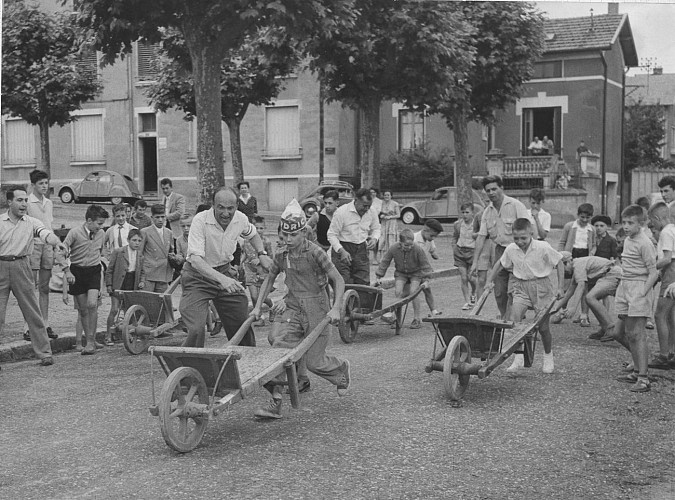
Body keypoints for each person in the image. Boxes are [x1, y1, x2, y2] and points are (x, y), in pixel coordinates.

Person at [250, 199, 350, 419]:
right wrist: (258, 306)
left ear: (303, 232)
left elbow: (338, 279)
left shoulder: (316, 253)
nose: (288, 240)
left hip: (318, 307)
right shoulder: (281, 254)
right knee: (279, 350)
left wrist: (336, 308)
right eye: (284, 235)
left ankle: (340, 370)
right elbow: (269, 278)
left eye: (293, 235)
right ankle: (275, 401)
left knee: (314, 361)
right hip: (294, 307)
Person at [180, 187, 272, 348]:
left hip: (224, 273)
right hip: (197, 277)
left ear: (237, 206)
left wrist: (262, 253)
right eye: (221, 207)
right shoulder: (200, 220)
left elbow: (253, 234)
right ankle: (191, 367)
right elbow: (195, 259)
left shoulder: (241, 219)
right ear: (213, 205)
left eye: (230, 208)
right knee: (195, 329)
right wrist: (222, 279)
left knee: (241, 321)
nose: (225, 213)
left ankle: (247, 362)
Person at [0, 186, 68, 365]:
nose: (24, 204)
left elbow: (45, 234)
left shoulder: (32, 222)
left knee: (32, 311)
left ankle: (45, 353)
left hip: (22, 266)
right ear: (9, 202)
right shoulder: (0, 222)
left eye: (25, 200)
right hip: (1, 266)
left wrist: (58, 243)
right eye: (19, 200)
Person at [486, 218, 564, 374]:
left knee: (542, 327)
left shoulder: (542, 247)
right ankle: (518, 358)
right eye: (516, 238)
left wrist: (560, 287)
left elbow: (559, 262)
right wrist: (489, 281)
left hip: (541, 287)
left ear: (531, 234)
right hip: (520, 286)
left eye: (523, 238)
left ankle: (548, 355)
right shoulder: (511, 249)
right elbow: (500, 264)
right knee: (515, 323)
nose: (520, 242)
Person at [611, 205, 658, 393]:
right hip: (625, 285)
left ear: (642, 223)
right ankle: (636, 370)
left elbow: (654, 273)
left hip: (639, 287)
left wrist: (643, 292)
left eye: (631, 223)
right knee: (620, 333)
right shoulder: (628, 240)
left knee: (637, 333)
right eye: (624, 222)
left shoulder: (645, 243)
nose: (626, 226)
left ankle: (643, 378)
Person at [470, 175, 528, 319]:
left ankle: (513, 321)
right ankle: (504, 318)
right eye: (488, 190)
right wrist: (475, 262)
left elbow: (528, 231)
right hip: (500, 252)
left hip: (519, 250)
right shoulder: (487, 212)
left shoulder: (516, 205)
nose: (491, 193)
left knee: (514, 291)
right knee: (499, 292)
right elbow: (481, 237)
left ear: (502, 188)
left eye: (494, 189)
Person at [62, 204, 110, 355]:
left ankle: (90, 342)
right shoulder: (74, 233)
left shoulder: (102, 233)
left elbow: (101, 252)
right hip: (77, 272)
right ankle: (91, 338)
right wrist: (67, 271)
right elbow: (60, 251)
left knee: (92, 304)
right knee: (83, 310)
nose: (101, 227)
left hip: (94, 271)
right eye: (99, 223)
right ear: (89, 220)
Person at [552, 252, 622, 342]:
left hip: (612, 273)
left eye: (563, 269)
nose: (565, 273)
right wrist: (554, 309)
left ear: (568, 262)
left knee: (590, 298)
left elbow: (581, 286)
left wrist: (573, 308)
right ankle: (605, 328)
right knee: (591, 299)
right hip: (609, 274)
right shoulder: (576, 267)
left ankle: (610, 328)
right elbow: (570, 291)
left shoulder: (577, 265)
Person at [374, 228, 433, 329]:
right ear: (400, 243)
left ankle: (417, 319)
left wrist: (427, 280)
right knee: (398, 292)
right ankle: (396, 319)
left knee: (413, 292)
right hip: (401, 273)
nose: (409, 247)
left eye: (411, 245)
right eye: (406, 245)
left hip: (415, 273)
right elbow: (385, 261)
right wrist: (379, 275)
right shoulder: (393, 248)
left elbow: (425, 265)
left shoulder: (418, 249)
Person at [25, 169, 58, 341]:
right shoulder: (27, 203)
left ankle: (45, 324)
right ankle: (29, 327)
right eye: (41, 183)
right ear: (33, 185)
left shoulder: (49, 203)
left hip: (47, 247)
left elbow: (49, 226)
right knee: (30, 288)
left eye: (46, 183)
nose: (44, 186)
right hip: (32, 248)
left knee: (45, 288)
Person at [327, 187, 381, 287]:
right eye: (364, 206)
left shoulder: (371, 211)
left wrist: (374, 238)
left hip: (361, 249)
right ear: (356, 201)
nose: (366, 209)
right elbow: (331, 235)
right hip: (343, 248)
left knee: (363, 283)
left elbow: (376, 228)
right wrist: (341, 251)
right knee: (343, 283)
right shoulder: (341, 212)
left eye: (369, 206)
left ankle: (361, 302)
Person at [647, 202, 675, 370]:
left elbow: (667, 258)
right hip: (671, 273)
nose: (652, 225)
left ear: (657, 218)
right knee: (671, 316)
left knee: (659, 315)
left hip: (671, 272)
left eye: (652, 221)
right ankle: (672, 352)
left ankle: (663, 355)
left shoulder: (665, 232)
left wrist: (649, 266)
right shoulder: (673, 229)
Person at [105, 228, 143, 345]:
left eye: (139, 241)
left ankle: (130, 334)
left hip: (131, 283)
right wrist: (109, 284)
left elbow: (142, 271)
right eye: (134, 240)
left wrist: (141, 281)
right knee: (115, 309)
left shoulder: (140, 255)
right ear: (128, 240)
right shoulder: (118, 252)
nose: (136, 243)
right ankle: (108, 335)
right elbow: (109, 270)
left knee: (130, 311)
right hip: (119, 283)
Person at [242, 216, 274, 325]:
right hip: (249, 270)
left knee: (262, 296)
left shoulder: (266, 242)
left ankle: (272, 306)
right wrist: (239, 264)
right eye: (257, 228)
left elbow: (270, 257)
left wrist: (260, 261)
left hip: (261, 271)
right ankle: (260, 317)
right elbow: (245, 254)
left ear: (264, 228)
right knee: (254, 295)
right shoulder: (246, 241)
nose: (259, 231)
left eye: (261, 228)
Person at [139, 204, 173, 293]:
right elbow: (139, 253)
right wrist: (141, 275)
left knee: (163, 302)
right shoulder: (145, 232)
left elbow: (170, 252)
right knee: (148, 301)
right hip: (149, 273)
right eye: (157, 217)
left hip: (163, 273)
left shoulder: (169, 232)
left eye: (163, 217)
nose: (160, 220)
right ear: (152, 217)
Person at [413, 219, 443, 318]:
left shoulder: (430, 240)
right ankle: (416, 317)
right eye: (432, 236)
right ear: (425, 229)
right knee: (414, 293)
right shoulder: (414, 239)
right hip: (412, 270)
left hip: (423, 270)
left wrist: (435, 255)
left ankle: (434, 311)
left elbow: (432, 251)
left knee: (427, 290)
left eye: (435, 236)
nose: (433, 238)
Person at [452, 203, 478, 310]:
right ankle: (467, 302)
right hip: (460, 252)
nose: (465, 215)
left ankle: (474, 292)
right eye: (463, 212)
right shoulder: (458, 224)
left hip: (472, 252)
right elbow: (455, 236)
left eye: (467, 212)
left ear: (472, 213)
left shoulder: (476, 225)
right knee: (463, 277)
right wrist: (454, 247)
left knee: (471, 278)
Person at [377, 190, 400, 263]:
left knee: (391, 240)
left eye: (388, 195)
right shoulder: (381, 203)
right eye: (385, 195)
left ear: (391, 196)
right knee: (382, 239)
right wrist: (381, 215)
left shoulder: (395, 204)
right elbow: (378, 212)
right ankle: (382, 257)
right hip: (384, 223)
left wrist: (390, 217)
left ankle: (392, 258)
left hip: (392, 223)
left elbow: (398, 215)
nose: (386, 197)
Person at [160, 178, 186, 242]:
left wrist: (166, 217)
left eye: (167, 188)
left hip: (175, 229)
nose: (165, 190)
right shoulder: (164, 198)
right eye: (163, 189)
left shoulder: (179, 197)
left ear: (171, 188)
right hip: (165, 227)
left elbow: (180, 212)